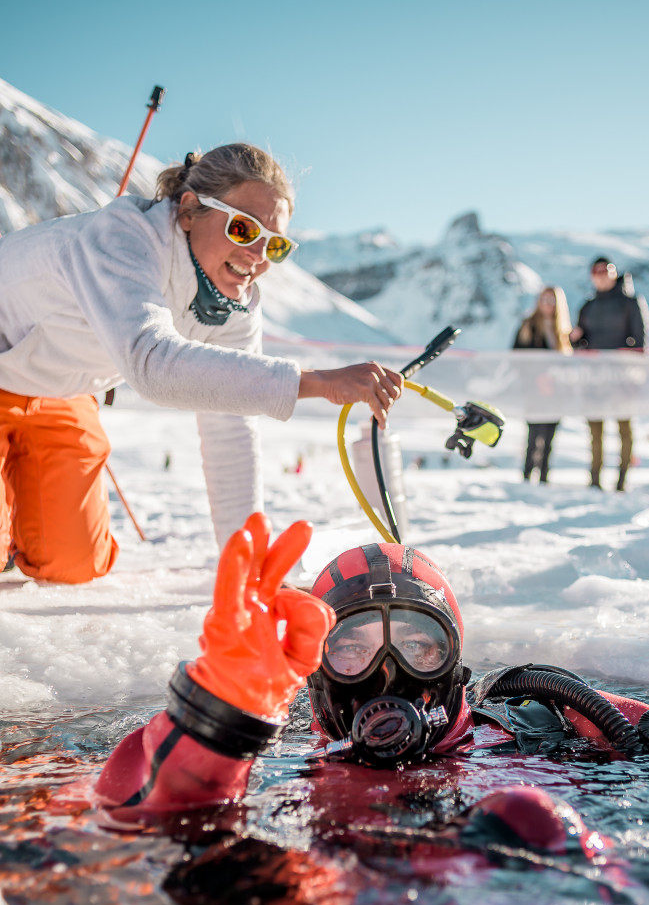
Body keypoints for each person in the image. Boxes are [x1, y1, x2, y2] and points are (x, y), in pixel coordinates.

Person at [84, 514, 649, 898]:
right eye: (352, 646)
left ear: (455, 659)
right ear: (314, 670)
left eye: (420, 648)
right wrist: (217, 726)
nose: (388, 672)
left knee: (527, 816)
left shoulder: (538, 713)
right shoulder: (274, 766)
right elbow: (118, 827)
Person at [0, 143, 403, 584]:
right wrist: (317, 382)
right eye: (244, 231)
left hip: (61, 395)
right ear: (189, 210)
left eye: (276, 245)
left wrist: (247, 572)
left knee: (74, 565)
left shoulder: (235, 303)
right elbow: (153, 364)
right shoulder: (122, 237)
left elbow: (232, 422)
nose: (258, 258)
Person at [570, 256, 649, 492]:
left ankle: (622, 481)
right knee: (595, 430)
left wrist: (632, 367)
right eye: (596, 272)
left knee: (624, 427)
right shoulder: (587, 306)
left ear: (614, 273)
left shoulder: (631, 303)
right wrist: (573, 340)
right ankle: (595, 479)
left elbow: (641, 342)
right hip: (593, 377)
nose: (601, 275)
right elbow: (580, 344)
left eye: (606, 271)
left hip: (622, 377)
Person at [512, 286, 573, 484]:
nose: (547, 304)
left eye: (552, 300)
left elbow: (568, 363)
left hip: (557, 392)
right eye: (544, 300)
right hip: (533, 390)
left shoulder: (563, 331)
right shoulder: (528, 325)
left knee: (550, 435)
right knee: (533, 434)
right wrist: (537, 379)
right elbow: (518, 357)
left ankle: (544, 476)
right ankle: (527, 474)